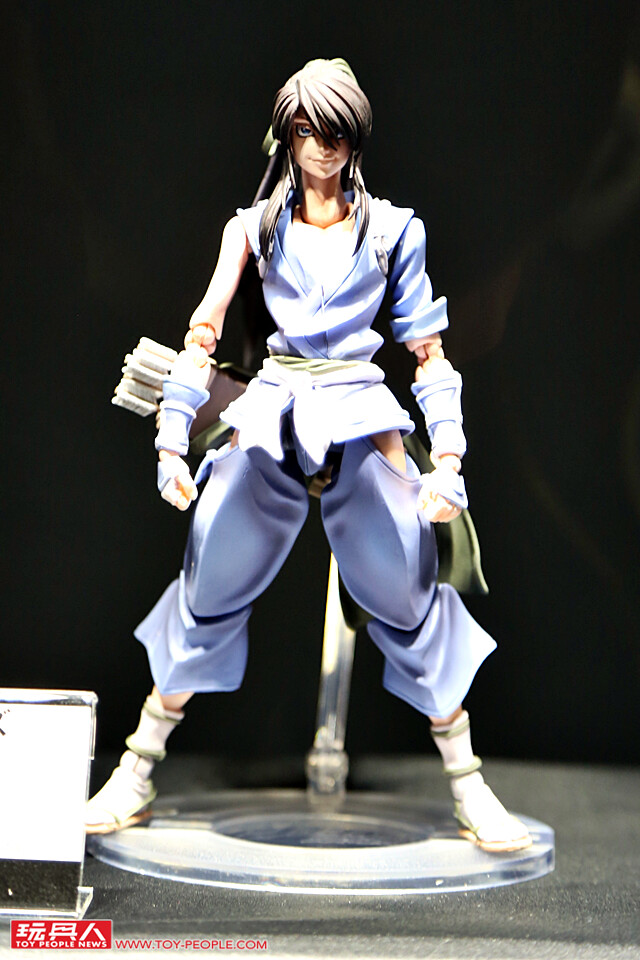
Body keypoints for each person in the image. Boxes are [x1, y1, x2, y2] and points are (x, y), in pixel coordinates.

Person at [87, 58, 531, 852]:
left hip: (362, 418)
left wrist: (448, 461)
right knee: (207, 587)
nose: (321, 146)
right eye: (305, 130)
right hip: (272, 415)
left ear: (355, 137)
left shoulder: (393, 231)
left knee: (409, 599)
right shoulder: (252, 229)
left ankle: (469, 784)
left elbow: (428, 354)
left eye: (334, 132)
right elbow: (201, 334)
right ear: (287, 135)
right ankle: (137, 769)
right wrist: (171, 439)